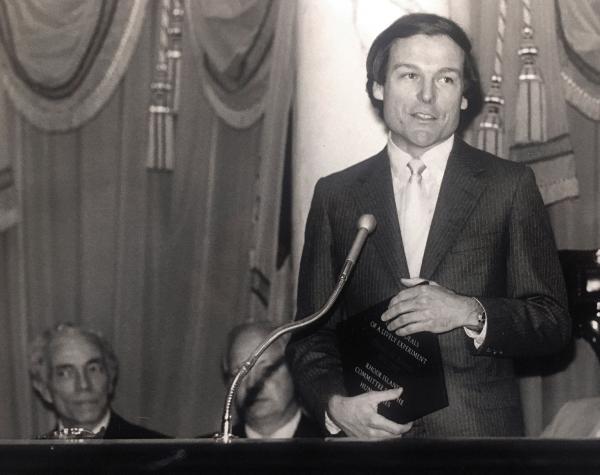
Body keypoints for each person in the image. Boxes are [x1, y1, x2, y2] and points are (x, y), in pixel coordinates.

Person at [286, 13, 570, 439]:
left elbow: (552, 322)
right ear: (378, 87)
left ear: (462, 97)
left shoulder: (508, 186)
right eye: (409, 75)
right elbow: (310, 336)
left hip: (476, 444)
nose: (427, 97)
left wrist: (469, 312)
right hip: (368, 447)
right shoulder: (337, 196)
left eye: (446, 80)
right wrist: (335, 405)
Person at [29, 322, 167, 439]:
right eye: (65, 373)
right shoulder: (27, 462)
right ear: (45, 389)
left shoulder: (164, 455)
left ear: (110, 379)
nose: (83, 385)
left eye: (93, 369)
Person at [222, 321, 322, 438]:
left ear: (293, 370)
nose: (251, 384)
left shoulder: (331, 445)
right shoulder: (206, 452)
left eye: (266, 370)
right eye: (238, 373)